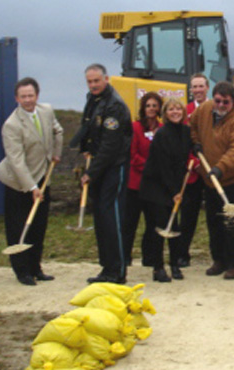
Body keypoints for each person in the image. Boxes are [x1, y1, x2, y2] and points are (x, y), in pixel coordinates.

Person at [0, 77, 63, 286]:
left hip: (43, 177)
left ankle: (36, 268)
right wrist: (31, 187)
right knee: (19, 227)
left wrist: (56, 154)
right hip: (19, 182)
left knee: (39, 226)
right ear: (17, 98)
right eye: (23, 96)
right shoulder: (11, 125)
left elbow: (57, 131)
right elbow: (17, 161)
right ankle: (22, 272)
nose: (27, 100)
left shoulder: (47, 110)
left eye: (30, 95)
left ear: (37, 96)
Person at [191, 81, 234, 280]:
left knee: (232, 223)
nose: (221, 105)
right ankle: (218, 260)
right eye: (218, 101)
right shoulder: (204, 109)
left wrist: (221, 167)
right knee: (214, 221)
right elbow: (192, 125)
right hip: (211, 179)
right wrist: (195, 142)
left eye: (225, 102)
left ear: (233, 100)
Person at [73, 64, 133, 284]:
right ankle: (106, 268)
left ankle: (118, 271)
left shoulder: (115, 106)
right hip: (98, 166)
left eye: (97, 81)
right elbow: (87, 126)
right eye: (89, 81)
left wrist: (91, 172)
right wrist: (84, 148)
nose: (93, 85)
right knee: (100, 218)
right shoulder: (93, 100)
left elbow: (111, 144)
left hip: (113, 167)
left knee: (112, 219)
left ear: (106, 79)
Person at [139, 98, 194, 282]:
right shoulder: (162, 134)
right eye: (171, 109)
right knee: (160, 227)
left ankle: (175, 265)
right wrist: (174, 192)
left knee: (175, 227)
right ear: (165, 113)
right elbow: (163, 167)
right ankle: (158, 267)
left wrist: (198, 148)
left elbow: (190, 147)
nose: (175, 112)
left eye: (178, 109)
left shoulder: (186, 131)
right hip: (157, 185)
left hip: (175, 184)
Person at [125, 92, 163, 268]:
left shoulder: (162, 128)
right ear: (143, 108)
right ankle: (125, 257)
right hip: (135, 183)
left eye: (155, 106)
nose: (151, 109)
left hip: (154, 185)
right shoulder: (135, 128)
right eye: (148, 105)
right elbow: (132, 156)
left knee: (152, 223)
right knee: (130, 223)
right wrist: (150, 166)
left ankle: (149, 257)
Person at [178, 73, 209, 267]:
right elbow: (180, 143)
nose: (197, 90)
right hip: (192, 173)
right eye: (194, 87)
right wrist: (194, 162)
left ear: (207, 88)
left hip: (212, 170)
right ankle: (182, 253)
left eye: (200, 86)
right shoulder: (184, 112)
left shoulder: (216, 108)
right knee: (188, 216)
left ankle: (220, 255)